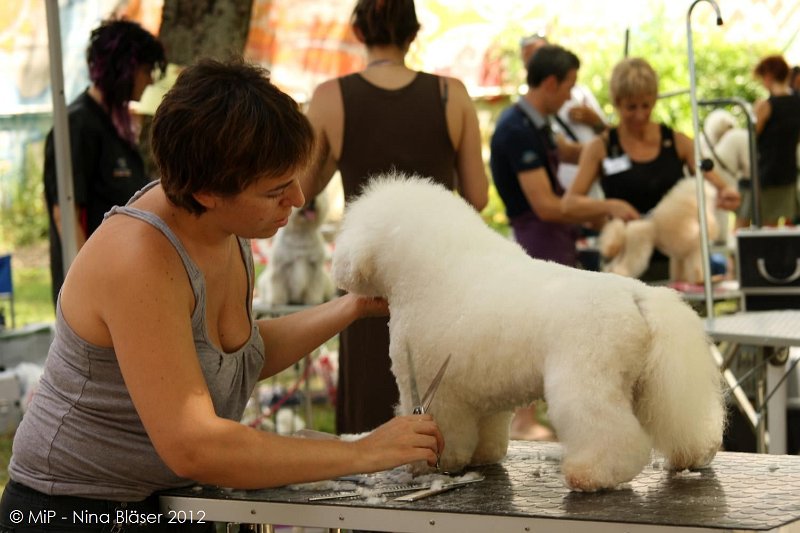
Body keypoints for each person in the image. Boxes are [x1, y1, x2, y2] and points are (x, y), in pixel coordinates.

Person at [0, 58, 443, 533]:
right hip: (69, 512)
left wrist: (352, 306)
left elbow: (237, 355)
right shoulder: (139, 260)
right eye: (276, 189)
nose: (296, 198)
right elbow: (197, 445)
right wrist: (362, 453)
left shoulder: (225, 226)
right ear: (209, 191)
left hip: (165, 501)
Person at [300, 0, 489, 435]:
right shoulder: (451, 95)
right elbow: (477, 196)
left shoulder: (332, 97)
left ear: (359, 32)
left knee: (368, 416)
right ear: (413, 32)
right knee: (443, 404)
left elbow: (300, 189)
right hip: (442, 275)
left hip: (370, 279)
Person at [489, 44, 636, 442]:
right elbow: (548, 206)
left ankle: (543, 417)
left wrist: (608, 130)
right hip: (538, 236)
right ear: (550, 82)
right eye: (570, 86)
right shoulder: (516, 129)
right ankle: (524, 422)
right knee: (543, 331)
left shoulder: (537, 124)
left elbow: (575, 153)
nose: (572, 96)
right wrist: (604, 205)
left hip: (555, 236)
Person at [562, 57, 740, 281]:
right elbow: (570, 204)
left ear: (654, 100)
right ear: (616, 102)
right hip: (625, 264)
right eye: (631, 107)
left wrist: (726, 194)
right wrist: (610, 206)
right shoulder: (600, 147)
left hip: (676, 263)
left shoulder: (677, 142)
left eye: (646, 105)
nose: (639, 114)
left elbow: (719, 185)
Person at [43, 19, 167, 306]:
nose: (149, 80)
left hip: (122, 281)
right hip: (94, 294)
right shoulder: (78, 125)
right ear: (123, 68)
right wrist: (89, 286)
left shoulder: (117, 126)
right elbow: (68, 215)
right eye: (146, 70)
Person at [520, 34, 607, 194]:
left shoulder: (581, 94)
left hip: (591, 192)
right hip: (569, 194)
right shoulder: (524, 122)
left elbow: (567, 151)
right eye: (528, 59)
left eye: (539, 55)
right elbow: (565, 151)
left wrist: (596, 122)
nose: (533, 64)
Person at [738, 54, 800, 226]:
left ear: (768, 76)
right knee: (773, 227)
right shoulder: (797, 103)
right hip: (787, 173)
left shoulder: (766, 106)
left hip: (765, 174)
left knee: (751, 225)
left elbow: (751, 138)